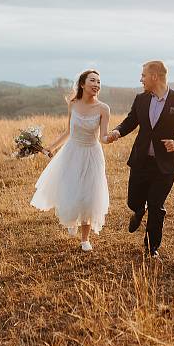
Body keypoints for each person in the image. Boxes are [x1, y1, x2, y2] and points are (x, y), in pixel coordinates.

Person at [107, 61, 174, 258]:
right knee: (133, 200)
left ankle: (151, 248)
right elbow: (131, 120)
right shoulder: (141, 99)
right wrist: (117, 132)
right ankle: (139, 210)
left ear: (154, 77)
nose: (141, 79)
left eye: (143, 75)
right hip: (141, 160)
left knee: (156, 206)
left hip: (165, 164)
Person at [31, 70, 114, 252]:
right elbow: (68, 131)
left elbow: (104, 137)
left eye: (99, 82)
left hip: (92, 153)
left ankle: (85, 239)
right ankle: (71, 217)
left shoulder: (103, 108)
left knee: (89, 194)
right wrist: (51, 148)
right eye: (92, 80)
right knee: (71, 188)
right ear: (82, 84)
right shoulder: (73, 104)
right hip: (72, 152)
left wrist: (112, 137)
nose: (96, 84)